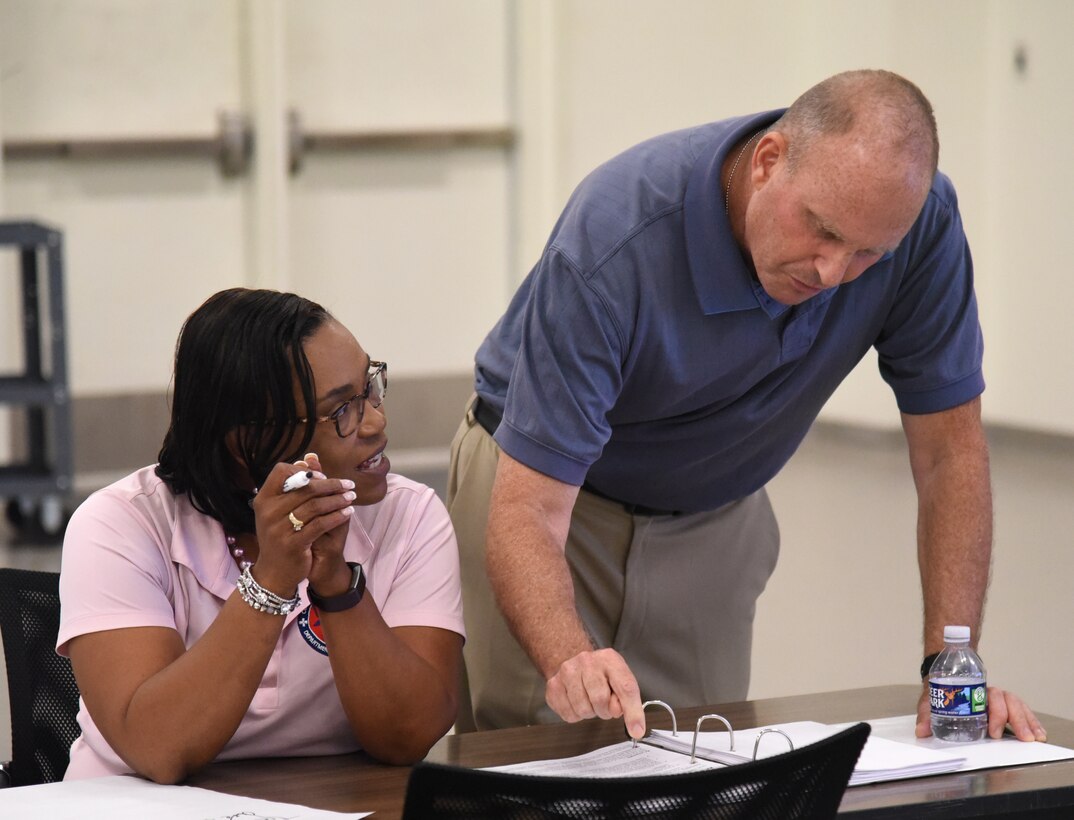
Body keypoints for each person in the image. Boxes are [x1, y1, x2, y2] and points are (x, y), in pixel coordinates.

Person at [447, 69, 1046, 743]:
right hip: (545, 495)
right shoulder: (617, 235)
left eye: (865, 255)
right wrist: (568, 655)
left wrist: (951, 669)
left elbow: (949, 453)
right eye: (820, 230)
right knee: (538, 755)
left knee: (699, 756)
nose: (830, 272)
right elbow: (528, 508)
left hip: (714, 517)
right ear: (768, 162)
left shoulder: (921, 228)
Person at [57, 288, 465, 783]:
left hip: (333, 804)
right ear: (244, 440)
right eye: (342, 411)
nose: (377, 422)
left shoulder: (409, 515)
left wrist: (337, 585)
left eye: (371, 388)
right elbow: (158, 748)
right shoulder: (120, 525)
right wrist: (270, 580)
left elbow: (409, 736)